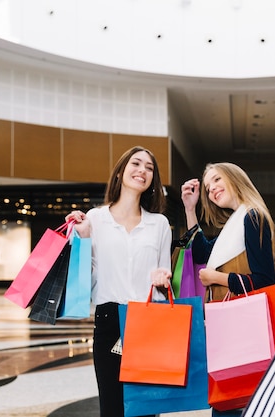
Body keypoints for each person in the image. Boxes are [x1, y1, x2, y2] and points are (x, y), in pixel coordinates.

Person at [65, 146, 172, 417]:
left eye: (149, 168)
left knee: (147, 409)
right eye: (136, 164)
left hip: (148, 320)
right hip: (109, 318)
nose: (142, 171)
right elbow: (85, 281)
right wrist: (82, 237)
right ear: (121, 172)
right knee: (112, 408)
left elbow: (165, 275)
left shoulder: (159, 224)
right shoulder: (95, 218)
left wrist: (163, 279)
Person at [181, 162, 275, 416]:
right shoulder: (237, 222)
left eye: (216, 179)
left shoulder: (252, 217)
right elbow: (203, 252)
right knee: (231, 401)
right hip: (233, 328)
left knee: (235, 403)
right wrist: (190, 209)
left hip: (243, 330)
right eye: (207, 186)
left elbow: (264, 280)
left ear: (235, 178)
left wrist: (218, 278)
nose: (211, 189)